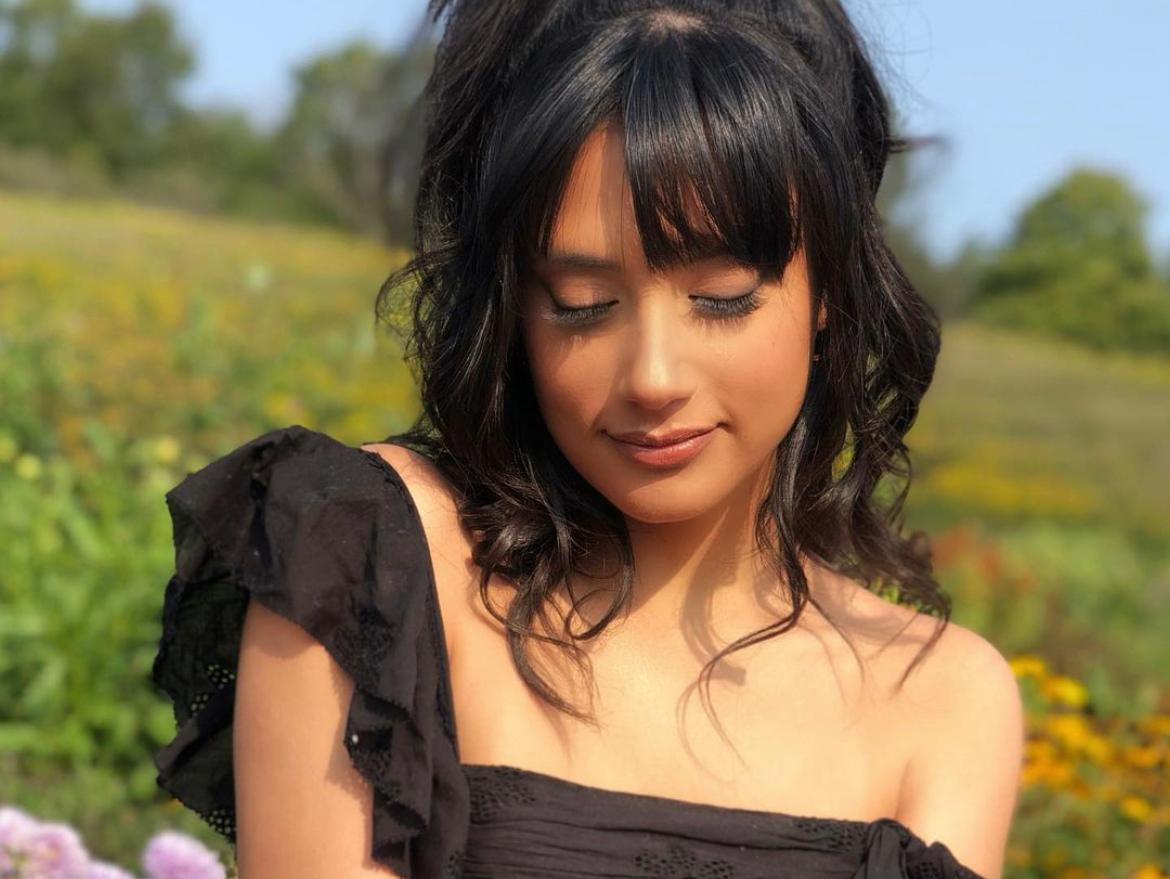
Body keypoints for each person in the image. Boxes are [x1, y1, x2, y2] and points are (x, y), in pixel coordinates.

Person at [149, 1, 1025, 877]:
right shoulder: (365, 565)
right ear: (511, 308)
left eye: (721, 296)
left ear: (830, 287)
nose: (653, 375)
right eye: (581, 303)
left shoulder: (945, 700)